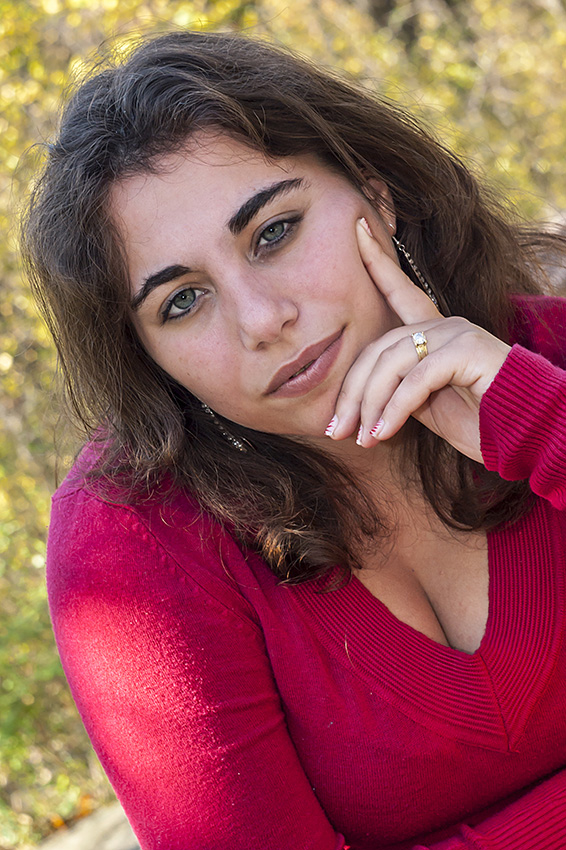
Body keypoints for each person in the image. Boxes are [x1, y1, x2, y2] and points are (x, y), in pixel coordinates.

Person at [21, 29, 566, 850]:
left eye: (273, 232)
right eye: (181, 301)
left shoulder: (547, 357)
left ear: (375, 195)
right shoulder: (133, 544)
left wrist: (539, 423)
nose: (262, 319)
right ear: (149, 357)